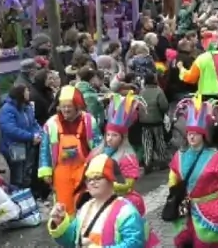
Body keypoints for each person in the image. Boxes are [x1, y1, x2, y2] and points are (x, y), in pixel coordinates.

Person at [169, 95, 218, 247]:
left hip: (215, 208)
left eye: (195, 134)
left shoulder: (215, 157)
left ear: (203, 135)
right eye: (189, 133)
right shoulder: (179, 156)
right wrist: (175, 197)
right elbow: (173, 176)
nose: (191, 137)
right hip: (189, 209)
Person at [85, 92, 159, 247]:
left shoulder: (127, 157)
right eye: (108, 135)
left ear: (122, 137)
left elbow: (128, 184)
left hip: (125, 201)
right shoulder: (102, 152)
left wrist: (108, 184)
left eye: (114, 135)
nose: (109, 138)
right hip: (106, 199)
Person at [48, 154, 147, 247]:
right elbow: (72, 240)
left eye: (97, 178)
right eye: (88, 179)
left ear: (111, 179)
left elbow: (134, 243)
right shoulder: (86, 208)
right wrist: (59, 222)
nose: (91, 182)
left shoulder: (126, 211)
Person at [38, 85, 103, 215]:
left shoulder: (88, 121)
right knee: (64, 207)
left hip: (85, 171)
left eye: (69, 106)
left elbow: (98, 146)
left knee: (88, 205)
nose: (66, 110)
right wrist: (46, 171)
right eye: (63, 106)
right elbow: (44, 149)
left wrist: (100, 167)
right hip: (61, 174)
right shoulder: (51, 124)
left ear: (77, 106)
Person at [0, 83, 43, 189]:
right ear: (20, 93)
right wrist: (31, 136)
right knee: (18, 176)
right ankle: (17, 194)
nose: (29, 93)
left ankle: (27, 194)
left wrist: (39, 133)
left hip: (27, 145)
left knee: (26, 173)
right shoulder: (7, 109)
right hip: (14, 147)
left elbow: (33, 123)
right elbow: (10, 129)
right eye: (27, 91)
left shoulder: (27, 107)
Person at [138, 73, 169, 171]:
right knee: (160, 141)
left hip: (144, 121)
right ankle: (162, 161)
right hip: (156, 121)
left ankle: (147, 162)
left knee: (147, 142)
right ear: (154, 80)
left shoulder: (141, 92)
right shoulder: (159, 91)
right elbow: (164, 106)